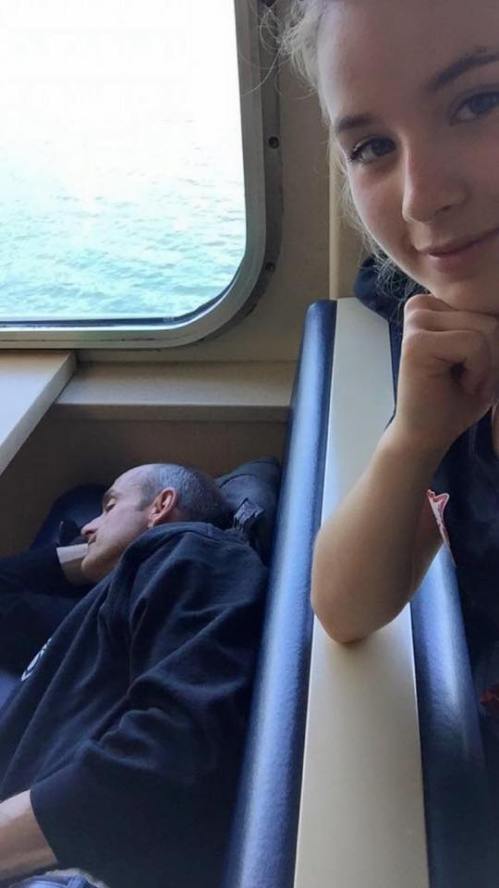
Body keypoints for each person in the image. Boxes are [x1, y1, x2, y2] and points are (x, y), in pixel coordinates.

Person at [281, 1, 499, 724]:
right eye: (373, 147)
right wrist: (414, 436)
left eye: (480, 101)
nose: (421, 197)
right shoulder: (465, 350)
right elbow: (344, 607)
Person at [0, 463, 267, 888]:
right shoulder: (107, 608)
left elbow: (171, 750)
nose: (87, 526)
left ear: (161, 505)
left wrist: (143, 542)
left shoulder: (195, 553)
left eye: (109, 507)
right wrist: (99, 557)